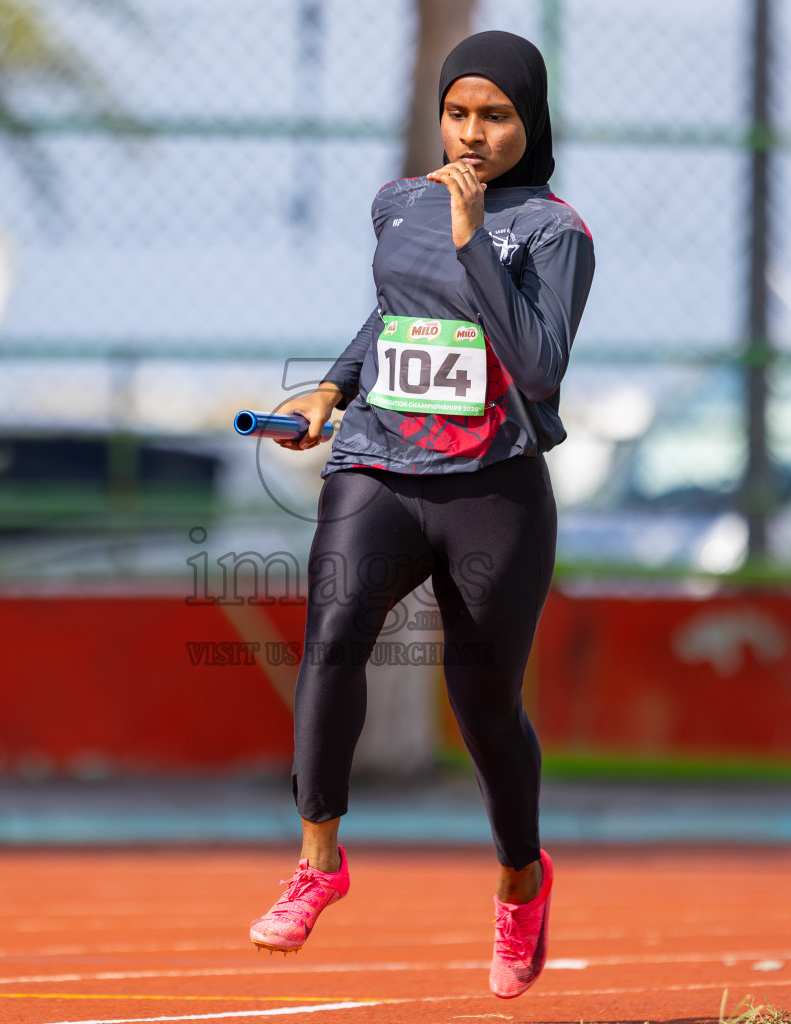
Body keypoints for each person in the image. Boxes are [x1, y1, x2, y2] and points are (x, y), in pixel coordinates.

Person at [247, 29, 594, 1000]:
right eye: (458, 113)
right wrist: (328, 388)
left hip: (494, 483)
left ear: (530, 121)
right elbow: (394, 313)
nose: (473, 133)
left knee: (483, 706)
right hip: (380, 462)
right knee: (333, 635)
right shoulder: (397, 204)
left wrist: (472, 235)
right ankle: (318, 861)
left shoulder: (557, 233)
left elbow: (535, 363)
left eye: (495, 115)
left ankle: (521, 878)